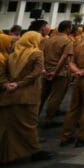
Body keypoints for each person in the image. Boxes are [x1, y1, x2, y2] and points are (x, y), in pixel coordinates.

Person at [0, 30, 53, 163]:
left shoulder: (11, 55)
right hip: (28, 95)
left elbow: (2, 73)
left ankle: (9, 155)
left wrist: (7, 84)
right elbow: (36, 73)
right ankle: (35, 151)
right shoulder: (36, 53)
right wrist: (19, 84)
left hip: (9, 95)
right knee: (29, 125)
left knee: (10, 127)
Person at [40, 20, 74, 128]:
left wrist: (45, 70)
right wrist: (55, 72)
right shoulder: (67, 41)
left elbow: (42, 55)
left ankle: (34, 116)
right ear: (68, 28)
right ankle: (49, 119)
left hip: (46, 71)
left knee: (42, 96)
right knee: (56, 97)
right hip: (60, 73)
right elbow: (64, 58)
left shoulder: (49, 39)